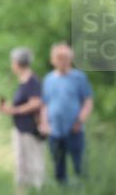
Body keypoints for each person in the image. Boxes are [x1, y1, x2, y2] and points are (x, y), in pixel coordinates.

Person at [40, 42, 94, 185]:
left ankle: (85, 194)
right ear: (53, 60)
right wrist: (44, 123)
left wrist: (80, 120)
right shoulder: (48, 79)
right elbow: (44, 104)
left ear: (70, 59)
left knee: (79, 165)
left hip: (74, 129)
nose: (61, 61)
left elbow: (88, 101)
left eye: (64, 58)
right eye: (58, 58)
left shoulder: (79, 77)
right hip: (54, 130)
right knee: (58, 166)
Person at [0, 48, 46, 195]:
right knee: (21, 164)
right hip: (20, 128)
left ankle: (37, 194)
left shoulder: (32, 81)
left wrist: (14, 110)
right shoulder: (23, 82)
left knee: (34, 162)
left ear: (17, 63)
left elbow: (36, 103)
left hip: (30, 128)